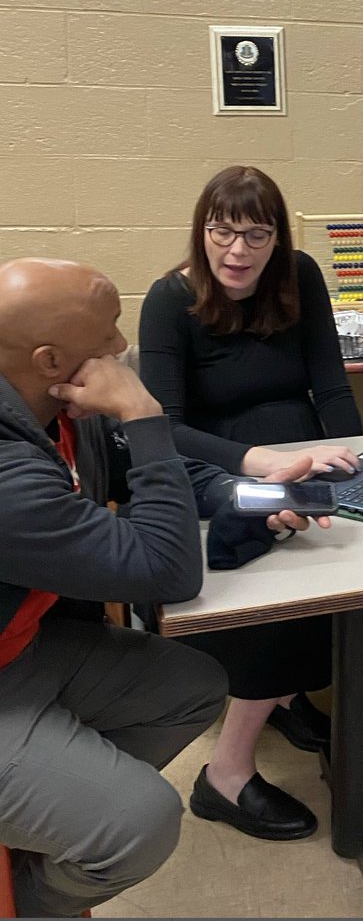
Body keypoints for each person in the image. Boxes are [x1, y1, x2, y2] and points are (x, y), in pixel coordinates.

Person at [138, 166, 363, 842]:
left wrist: (359, 459)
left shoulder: (298, 275)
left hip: (304, 459)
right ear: (201, 232)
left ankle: (289, 693)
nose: (236, 252)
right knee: (293, 578)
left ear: (277, 237)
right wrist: (258, 462)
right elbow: (164, 428)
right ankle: (225, 775)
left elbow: (329, 386)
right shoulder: (168, 300)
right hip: (220, 471)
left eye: (255, 235)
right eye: (222, 233)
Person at [0, 258, 229, 916]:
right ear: (51, 360)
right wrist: (143, 411)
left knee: (192, 687)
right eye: (108, 333)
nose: (122, 347)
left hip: (24, 652)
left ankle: (47, 825)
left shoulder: (56, 408)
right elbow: (167, 572)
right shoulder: (8, 476)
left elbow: (147, 470)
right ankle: (38, 903)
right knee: (140, 824)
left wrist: (255, 488)